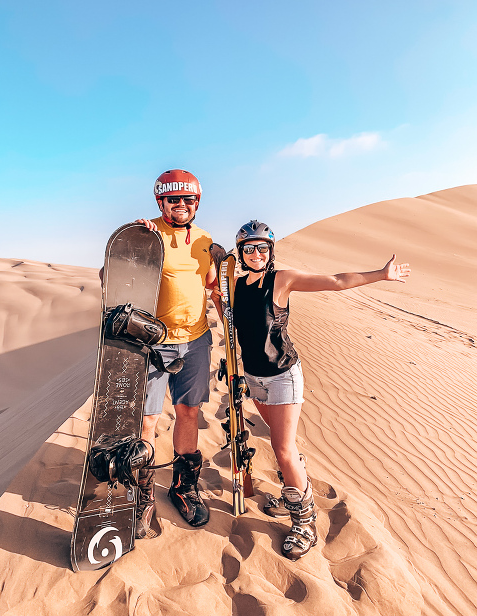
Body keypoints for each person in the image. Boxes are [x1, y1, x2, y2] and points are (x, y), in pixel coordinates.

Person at [230, 220, 411, 561]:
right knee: (283, 445)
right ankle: (295, 491)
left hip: (284, 375)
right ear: (241, 252)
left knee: (282, 449)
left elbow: (336, 282)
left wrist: (380, 274)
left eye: (263, 248)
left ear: (271, 252)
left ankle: (305, 521)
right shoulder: (234, 285)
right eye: (249, 249)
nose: (257, 254)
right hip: (254, 378)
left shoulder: (281, 280)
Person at [135, 169, 219, 537]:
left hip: (196, 340)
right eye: (174, 199)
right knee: (147, 420)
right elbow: (114, 275)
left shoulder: (204, 240)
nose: (181, 205)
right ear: (161, 202)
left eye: (189, 199)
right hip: (153, 342)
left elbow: (213, 284)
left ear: (196, 203)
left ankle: (184, 487)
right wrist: (135, 242)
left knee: (189, 411)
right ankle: (142, 490)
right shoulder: (145, 233)